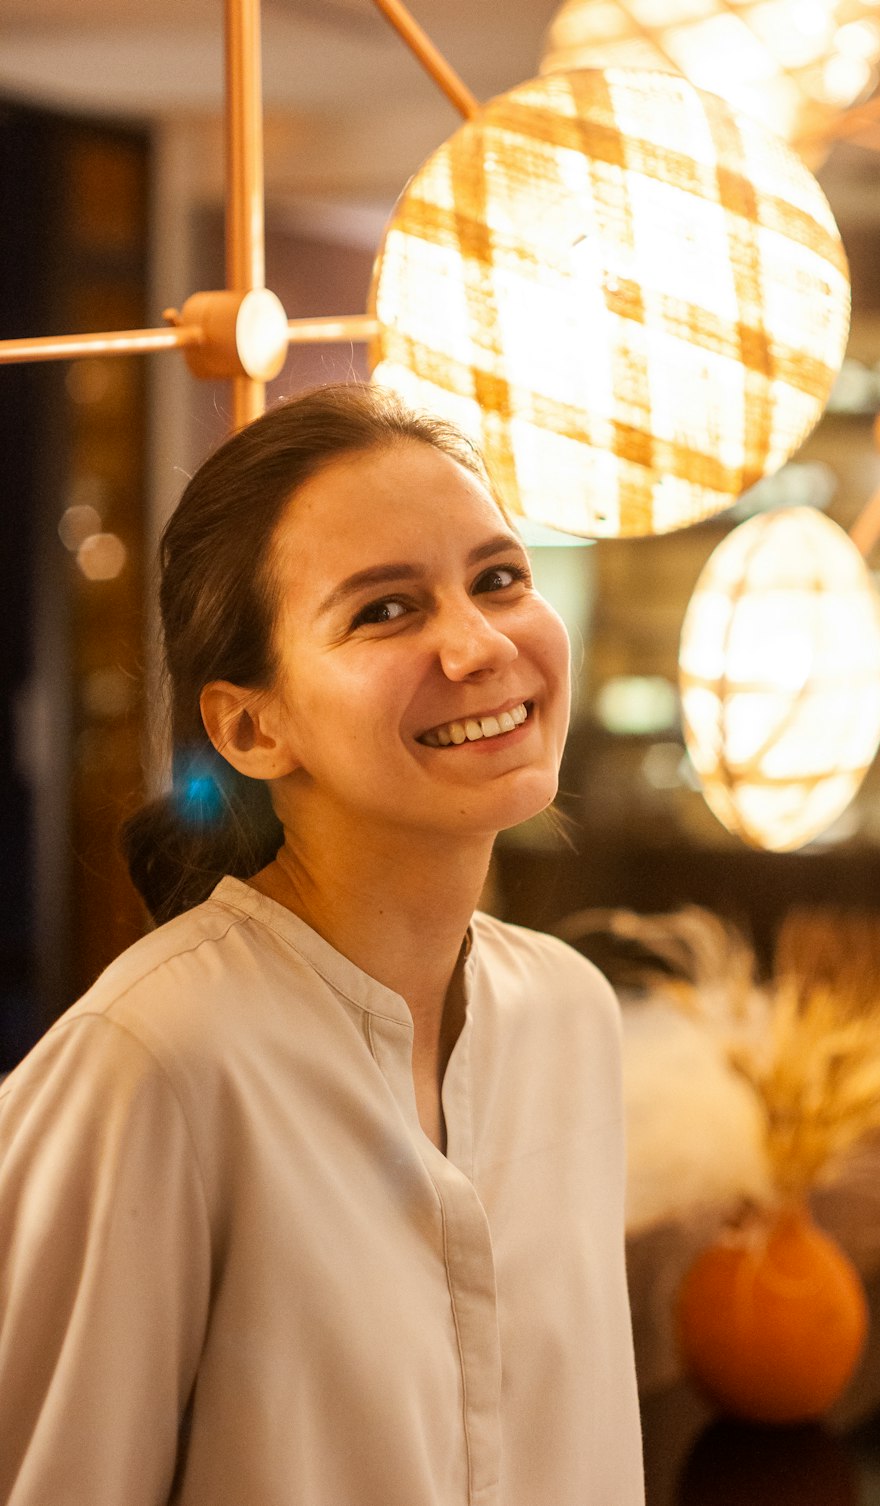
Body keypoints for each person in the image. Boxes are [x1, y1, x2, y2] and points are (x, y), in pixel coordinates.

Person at [0, 384, 644, 1506]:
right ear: (252, 726)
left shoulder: (571, 1016)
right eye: (385, 611)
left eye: (497, 578)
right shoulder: (152, 1060)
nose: (481, 644)